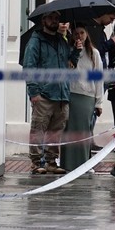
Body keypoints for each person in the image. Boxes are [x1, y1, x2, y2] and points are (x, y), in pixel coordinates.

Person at [22, 9, 81, 175]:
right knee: (39, 128)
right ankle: (36, 162)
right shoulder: (36, 42)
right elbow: (29, 67)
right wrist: (34, 92)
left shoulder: (61, 41)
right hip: (44, 94)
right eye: (52, 18)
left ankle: (51, 161)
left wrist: (76, 51)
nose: (55, 21)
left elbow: (69, 64)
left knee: (57, 130)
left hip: (62, 94)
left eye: (57, 19)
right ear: (44, 20)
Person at [61, 23, 105, 172]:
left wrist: (99, 102)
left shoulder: (94, 53)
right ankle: (68, 164)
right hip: (71, 94)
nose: (79, 36)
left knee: (85, 130)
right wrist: (75, 53)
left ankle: (84, 163)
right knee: (69, 130)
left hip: (87, 96)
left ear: (86, 35)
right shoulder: (69, 51)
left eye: (82, 33)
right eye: (76, 33)